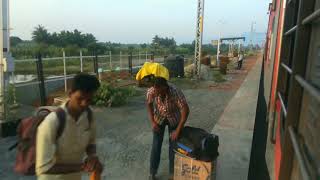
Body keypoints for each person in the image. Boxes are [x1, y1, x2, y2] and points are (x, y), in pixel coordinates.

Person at [36, 73, 103, 180]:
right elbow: (44, 168)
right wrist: (83, 167)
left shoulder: (89, 115)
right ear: (70, 94)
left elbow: (91, 141)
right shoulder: (52, 123)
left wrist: (92, 156)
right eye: (79, 99)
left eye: (89, 100)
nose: (84, 104)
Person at [146, 77, 190, 180]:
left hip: (173, 116)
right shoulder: (151, 91)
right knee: (156, 144)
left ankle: (172, 173)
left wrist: (177, 130)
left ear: (165, 88)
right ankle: (152, 173)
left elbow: (185, 111)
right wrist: (152, 122)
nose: (157, 94)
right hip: (159, 117)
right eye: (156, 92)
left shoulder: (175, 92)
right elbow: (149, 104)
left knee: (173, 145)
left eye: (160, 92)